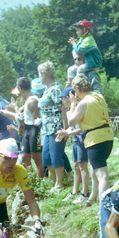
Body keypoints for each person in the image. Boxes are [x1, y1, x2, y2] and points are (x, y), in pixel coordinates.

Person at [58, 74, 114, 207]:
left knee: (102, 175)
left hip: (95, 140)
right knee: (95, 169)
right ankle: (92, 198)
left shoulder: (84, 103)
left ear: (77, 89)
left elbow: (71, 121)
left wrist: (72, 104)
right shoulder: (98, 97)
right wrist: (69, 132)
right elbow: (90, 124)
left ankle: (104, 208)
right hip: (107, 136)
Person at [0, 77, 45, 178]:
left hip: (34, 130)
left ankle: (41, 181)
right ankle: (31, 180)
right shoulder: (26, 101)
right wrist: (7, 112)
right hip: (27, 130)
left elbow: (36, 120)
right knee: (24, 158)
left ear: (20, 88)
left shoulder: (32, 101)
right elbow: (20, 117)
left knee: (36, 158)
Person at [38, 61, 69, 190]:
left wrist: (65, 129)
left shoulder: (56, 89)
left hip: (56, 127)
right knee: (46, 156)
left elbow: (63, 109)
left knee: (56, 155)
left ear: (44, 75)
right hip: (46, 129)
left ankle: (60, 183)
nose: (39, 77)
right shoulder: (47, 89)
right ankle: (54, 181)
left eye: (39, 74)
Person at [58, 87, 89, 204]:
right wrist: (62, 133)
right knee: (76, 165)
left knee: (82, 166)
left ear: (69, 97)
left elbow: (83, 127)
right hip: (76, 140)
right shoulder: (69, 109)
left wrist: (68, 132)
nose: (62, 101)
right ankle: (75, 191)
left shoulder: (79, 106)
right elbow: (70, 126)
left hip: (82, 140)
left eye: (63, 98)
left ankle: (85, 193)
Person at [67, 20, 102, 94]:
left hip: (93, 63)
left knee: (80, 69)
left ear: (84, 30)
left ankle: (79, 85)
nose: (76, 32)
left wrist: (74, 44)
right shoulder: (82, 39)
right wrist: (76, 43)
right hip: (87, 62)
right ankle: (70, 86)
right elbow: (77, 48)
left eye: (78, 30)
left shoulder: (88, 39)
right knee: (70, 70)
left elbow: (80, 50)